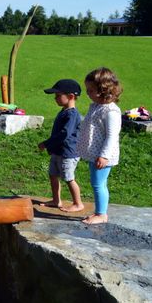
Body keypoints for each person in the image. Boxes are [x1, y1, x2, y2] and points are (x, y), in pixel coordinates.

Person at [77, 68, 122, 225]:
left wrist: (104, 155)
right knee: (96, 182)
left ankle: (101, 214)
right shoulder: (96, 106)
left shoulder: (111, 112)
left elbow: (112, 136)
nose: (87, 93)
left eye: (91, 90)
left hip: (102, 155)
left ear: (104, 90)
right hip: (95, 153)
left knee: (98, 184)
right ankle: (99, 212)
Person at [38, 79, 84, 212]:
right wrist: (52, 147)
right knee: (53, 174)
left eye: (58, 95)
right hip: (58, 151)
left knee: (69, 178)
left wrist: (47, 144)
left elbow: (65, 134)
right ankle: (56, 200)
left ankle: (78, 203)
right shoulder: (64, 111)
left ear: (70, 96)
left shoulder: (72, 115)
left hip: (68, 153)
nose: (55, 98)